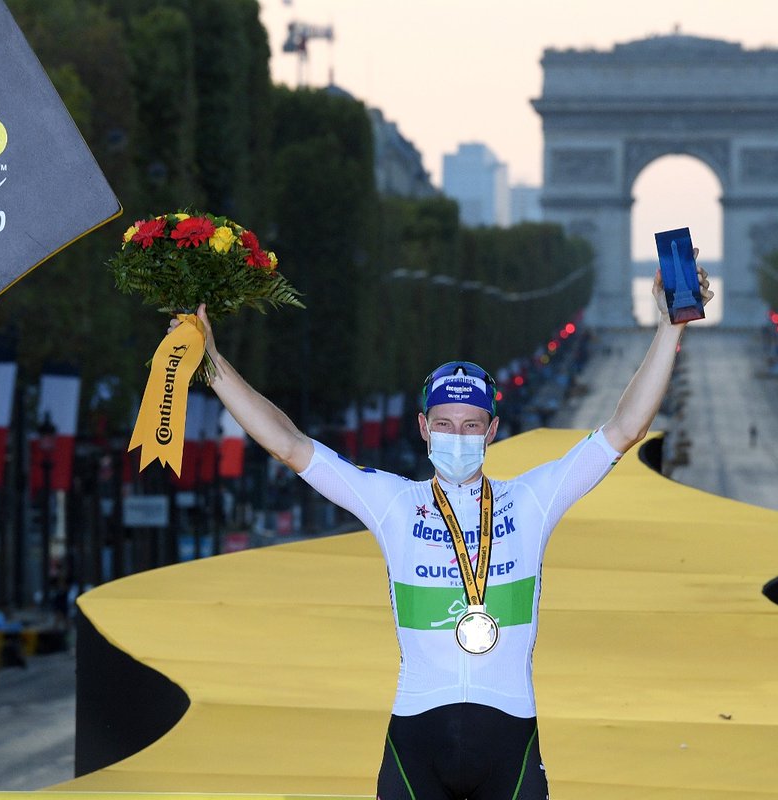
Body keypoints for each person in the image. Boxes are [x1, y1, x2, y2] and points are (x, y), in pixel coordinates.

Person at [180, 263, 711, 799]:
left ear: (492, 431)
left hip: (510, 740)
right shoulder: (393, 502)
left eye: (471, 425)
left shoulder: (530, 499)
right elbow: (289, 444)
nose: (457, 436)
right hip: (416, 740)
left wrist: (671, 328)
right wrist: (213, 364)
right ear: (423, 428)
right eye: (445, 424)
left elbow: (625, 429)